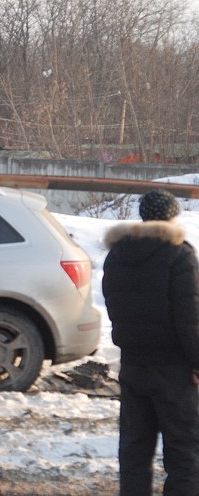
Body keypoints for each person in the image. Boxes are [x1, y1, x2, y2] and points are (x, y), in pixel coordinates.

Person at [102, 188, 199, 495]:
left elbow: (115, 307)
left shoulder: (117, 254)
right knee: (185, 457)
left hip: (133, 367)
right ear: (172, 216)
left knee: (133, 455)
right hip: (175, 372)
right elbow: (191, 319)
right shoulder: (179, 254)